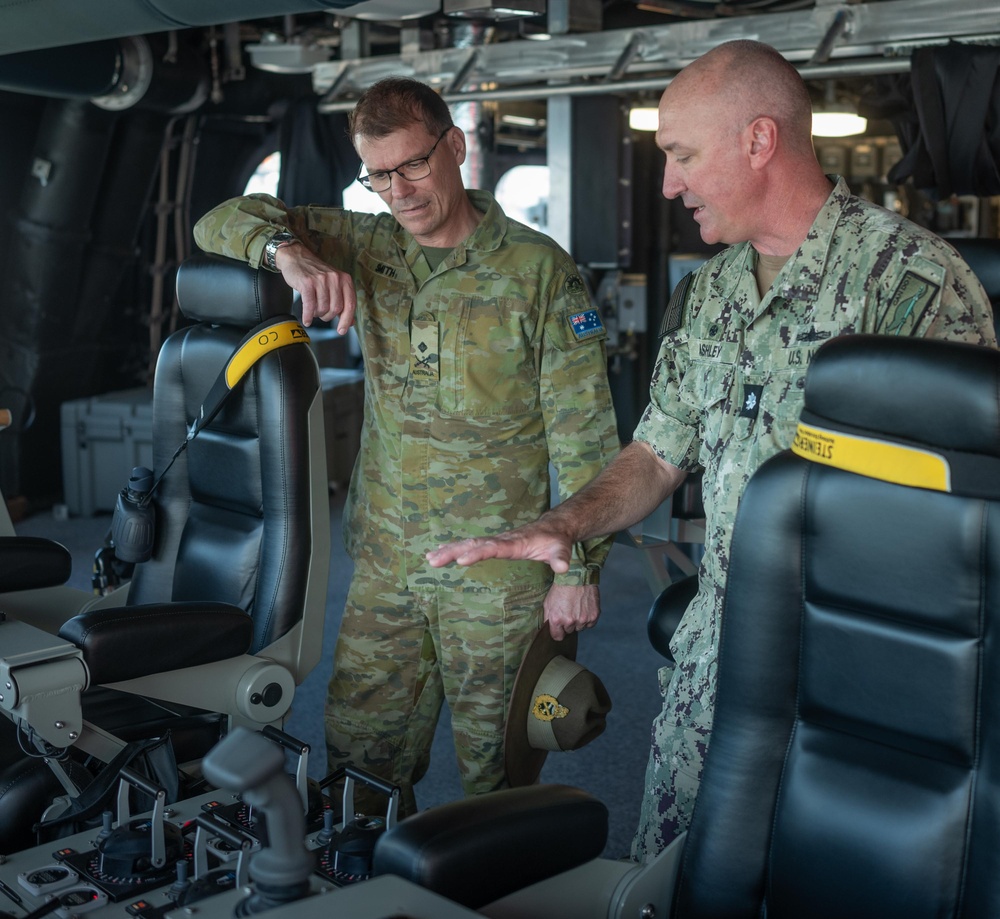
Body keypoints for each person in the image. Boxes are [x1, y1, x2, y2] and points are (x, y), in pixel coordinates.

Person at [426, 39, 998, 860]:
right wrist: (567, 522)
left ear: (759, 142)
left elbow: (967, 521)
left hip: (857, 667)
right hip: (716, 660)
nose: (668, 183)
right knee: (679, 873)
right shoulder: (712, 293)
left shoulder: (911, 283)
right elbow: (657, 453)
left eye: (681, 155)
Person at [193, 77, 620, 816]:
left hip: (497, 577)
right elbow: (217, 220)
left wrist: (576, 566)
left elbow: (587, 439)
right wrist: (288, 253)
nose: (401, 191)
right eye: (379, 175)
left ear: (454, 147)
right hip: (388, 565)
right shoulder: (368, 243)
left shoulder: (539, 272)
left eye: (414, 166)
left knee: (499, 772)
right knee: (358, 756)